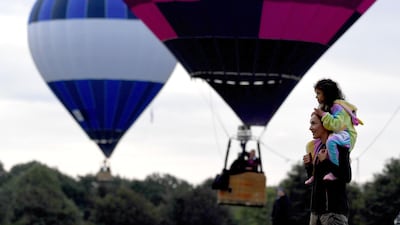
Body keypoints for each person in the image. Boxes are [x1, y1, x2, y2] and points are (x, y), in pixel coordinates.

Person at [305, 78, 362, 184]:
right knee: (311, 145)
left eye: (318, 93)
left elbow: (337, 125)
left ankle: (334, 172)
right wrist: (309, 166)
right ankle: (313, 174)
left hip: (346, 135)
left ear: (327, 94)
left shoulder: (337, 106)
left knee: (331, 141)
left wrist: (323, 115)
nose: (316, 96)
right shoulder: (327, 107)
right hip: (337, 135)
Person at [303, 113, 351, 225]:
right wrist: (309, 166)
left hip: (333, 214)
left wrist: (325, 161)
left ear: (325, 125)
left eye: (313, 123)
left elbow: (346, 176)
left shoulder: (339, 147)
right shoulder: (319, 148)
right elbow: (315, 180)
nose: (310, 128)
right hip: (316, 214)